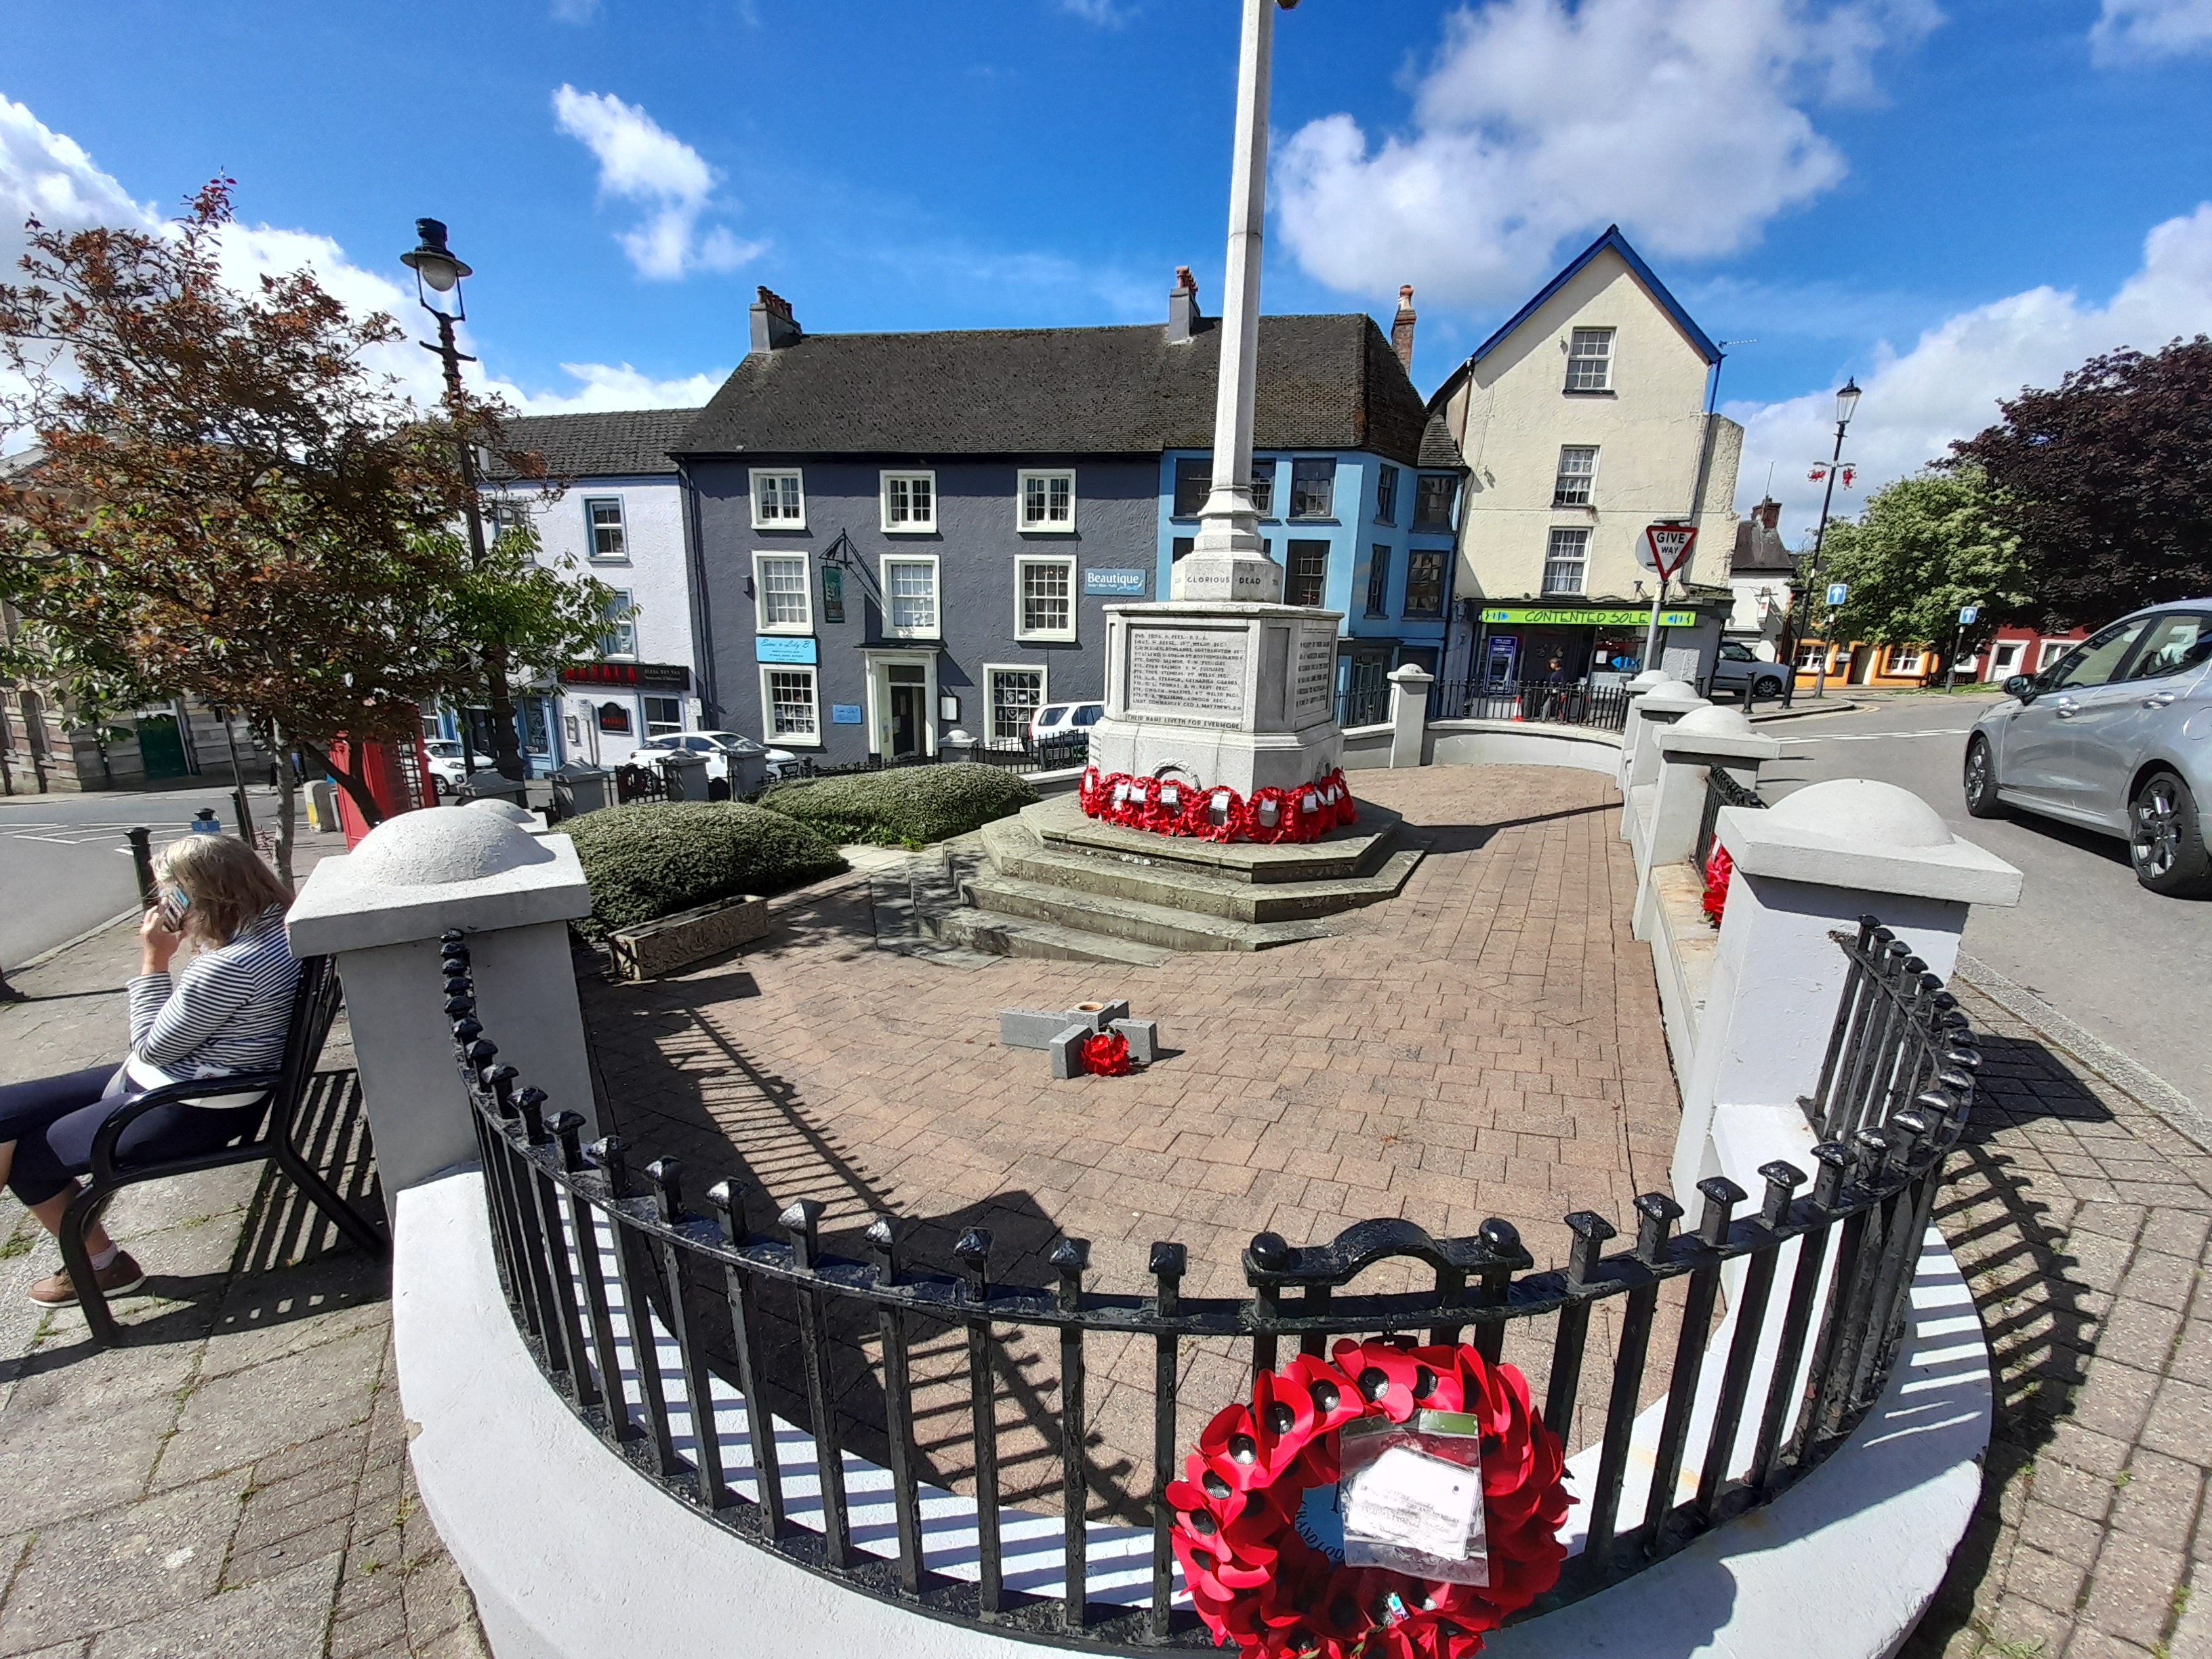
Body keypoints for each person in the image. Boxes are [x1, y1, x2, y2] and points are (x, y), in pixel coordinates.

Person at [0, 834, 299, 1306]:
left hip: (190, 1107)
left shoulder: (229, 965)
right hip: (202, 1084)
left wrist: (154, 960)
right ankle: (101, 1265)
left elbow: (151, 1047)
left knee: (27, 1158)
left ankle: (104, 1268)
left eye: (168, 893)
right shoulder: (275, 930)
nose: (161, 904)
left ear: (197, 896)